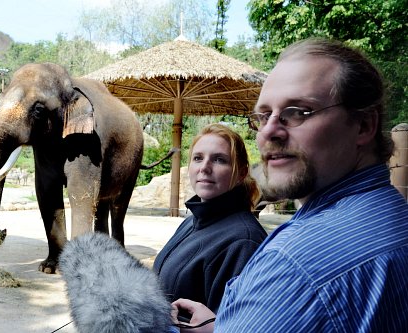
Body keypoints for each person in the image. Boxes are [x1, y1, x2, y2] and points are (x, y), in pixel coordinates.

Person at [171, 38, 408, 332]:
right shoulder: (396, 215)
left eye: (298, 111)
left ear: (363, 126)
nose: (269, 130)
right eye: (262, 115)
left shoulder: (295, 264)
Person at [153, 123, 267, 314]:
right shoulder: (191, 222)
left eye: (219, 160)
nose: (204, 168)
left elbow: (234, 322)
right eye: (198, 158)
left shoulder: (244, 242)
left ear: (241, 173)